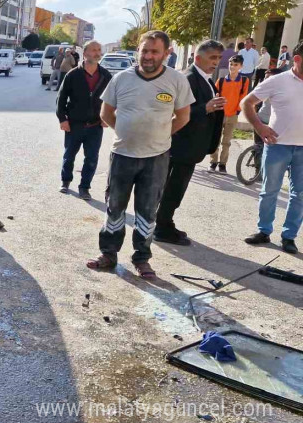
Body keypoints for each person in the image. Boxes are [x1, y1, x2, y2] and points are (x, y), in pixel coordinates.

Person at [86, 30, 194, 278]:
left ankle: (142, 258)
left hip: (156, 158)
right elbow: (106, 113)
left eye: (154, 51)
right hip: (123, 155)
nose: (148, 56)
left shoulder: (177, 81)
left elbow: (184, 116)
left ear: (166, 53)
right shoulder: (121, 79)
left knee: (147, 210)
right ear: (138, 51)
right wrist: (126, 133)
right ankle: (108, 254)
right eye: (144, 50)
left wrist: (160, 137)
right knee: (115, 206)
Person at [154, 40, 227, 245]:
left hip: (191, 147)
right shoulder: (188, 78)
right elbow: (176, 112)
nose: (216, 62)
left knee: (176, 188)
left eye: (219, 58)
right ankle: (161, 227)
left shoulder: (205, 79)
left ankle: (165, 222)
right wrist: (206, 107)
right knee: (172, 188)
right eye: (212, 58)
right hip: (181, 146)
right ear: (197, 58)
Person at [241, 40, 303, 254]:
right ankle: (264, 231)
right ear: (297, 59)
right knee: (269, 191)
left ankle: (289, 237)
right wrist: (259, 126)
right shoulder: (278, 81)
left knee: (300, 195)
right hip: (278, 146)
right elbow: (246, 103)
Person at [56, 40, 112, 201]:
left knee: (92, 158)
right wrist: (62, 119)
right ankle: (65, 181)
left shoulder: (105, 76)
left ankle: (84, 187)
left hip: (95, 126)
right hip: (74, 124)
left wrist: (107, 118)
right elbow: (61, 98)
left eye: (99, 50)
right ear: (85, 53)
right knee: (69, 155)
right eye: (93, 50)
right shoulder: (73, 74)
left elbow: (113, 99)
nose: (97, 53)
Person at [208, 55, 249, 173]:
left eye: (236, 65)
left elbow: (243, 97)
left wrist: (237, 111)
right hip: (219, 114)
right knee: (215, 138)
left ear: (241, 66)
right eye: (231, 64)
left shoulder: (244, 81)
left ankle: (222, 164)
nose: (232, 67)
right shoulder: (221, 81)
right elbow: (214, 96)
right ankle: (213, 162)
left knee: (226, 141)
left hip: (232, 115)